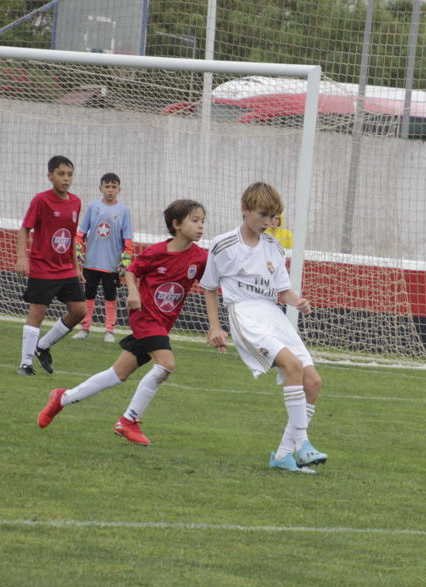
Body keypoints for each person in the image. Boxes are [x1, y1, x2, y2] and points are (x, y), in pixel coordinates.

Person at [38, 199, 208, 445]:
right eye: (195, 220)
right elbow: (131, 270)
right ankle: (129, 420)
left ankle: (61, 398)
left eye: (203, 221)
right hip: (146, 317)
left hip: (161, 323)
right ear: (177, 224)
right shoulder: (157, 252)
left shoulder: (201, 258)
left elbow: (214, 281)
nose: (201, 226)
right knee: (166, 364)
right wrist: (133, 292)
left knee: (117, 374)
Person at [201, 182, 327, 473]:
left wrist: (298, 302)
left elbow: (283, 290)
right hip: (244, 314)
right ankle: (303, 444)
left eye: (273, 217)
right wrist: (214, 327)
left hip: (273, 315)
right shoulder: (223, 244)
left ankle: (283, 455)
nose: (268, 223)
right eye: (263, 215)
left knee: (313, 382)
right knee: (293, 366)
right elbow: (209, 287)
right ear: (245, 209)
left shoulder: (274, 246)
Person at [16, 155, 86, 376]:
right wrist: (22, 258)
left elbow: (72, 237)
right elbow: (25, 229)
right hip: (42, 267)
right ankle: (25, 364)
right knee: (38, 311)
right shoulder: (41, 200)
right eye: (61, 174)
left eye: (70, 175)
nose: (66, 179)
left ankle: (43, 345)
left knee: (79, 311)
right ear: (50, 176)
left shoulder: (75, 202)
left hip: (65, 268)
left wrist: (76, 267)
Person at [74, 172, 134, 343]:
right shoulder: (93, 207)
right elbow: (81, 233)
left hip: (111, 264)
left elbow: (127, 239)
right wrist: (77, 250)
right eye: (107, 186)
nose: (110, 190)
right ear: (100, 188)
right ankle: (85, 328)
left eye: (114, 187)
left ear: (119, 189)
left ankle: (109, 331)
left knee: (111, 296)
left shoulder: (123, 210)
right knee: (88, 295)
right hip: (91, 262)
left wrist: (126, 259)